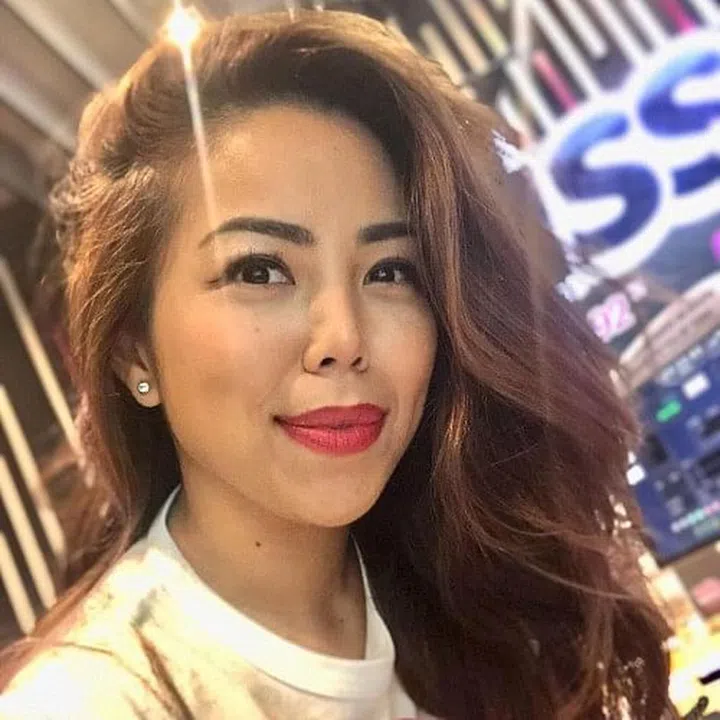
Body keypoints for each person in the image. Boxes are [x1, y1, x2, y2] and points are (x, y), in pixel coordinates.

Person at [0, 9, 676, 720]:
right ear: (134, 351)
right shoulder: (90, 701)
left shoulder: (462, 585)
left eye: (390, 271)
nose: (345, 337)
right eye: (259, 270)